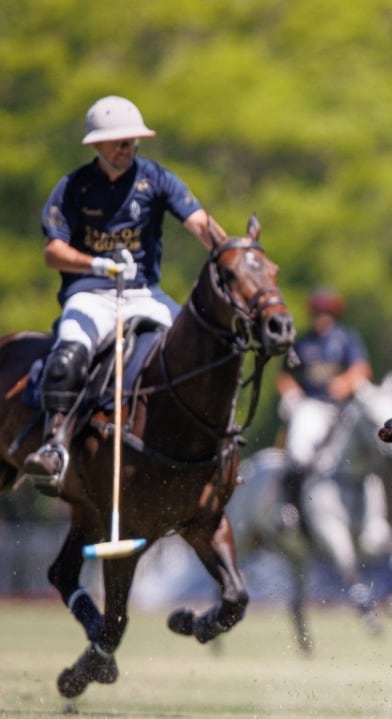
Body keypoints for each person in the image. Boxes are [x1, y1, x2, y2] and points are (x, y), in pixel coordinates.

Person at [22, 95, 218, 497]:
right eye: (119, 143)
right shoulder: (74, 187)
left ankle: (210, 446)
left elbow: (199, 223)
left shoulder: (156, 178)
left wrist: (231, 252)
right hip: (91, 291)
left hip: (143, 292)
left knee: (195, 350)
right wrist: (97, 265)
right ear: (97, 145)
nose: (128, 149)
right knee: (69, 352)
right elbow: (52, 252)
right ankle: (55, 445)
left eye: (132, 141)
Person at [275, 288, 372, 524]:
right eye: (317, 313)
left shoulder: (346, 338)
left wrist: (345, 382)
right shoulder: (302, 343)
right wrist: (292, 393)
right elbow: (284, 376)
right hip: (313, 407)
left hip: (343, 408)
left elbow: (361, 369)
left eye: (325, 313)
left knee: (372, 445)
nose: (320, 317)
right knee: (298, 450)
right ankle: (291, 505)